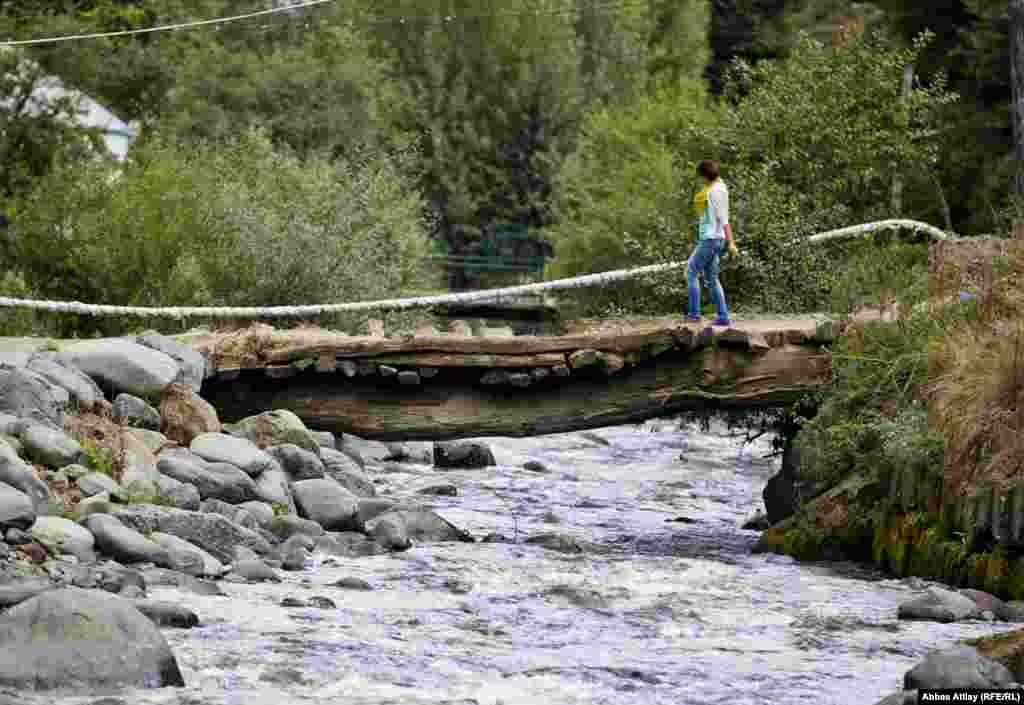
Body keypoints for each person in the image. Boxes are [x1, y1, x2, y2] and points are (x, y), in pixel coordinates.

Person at [685, 160, 738, 326]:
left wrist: (731, 243)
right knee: (712, 278)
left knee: (691, 272)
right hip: (716, 239)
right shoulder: (720, 186)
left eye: (701, 177)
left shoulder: (714, 192)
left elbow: (724, 219)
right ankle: (723, 317)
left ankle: (694, 315)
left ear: (704, 176)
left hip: (710, 239)